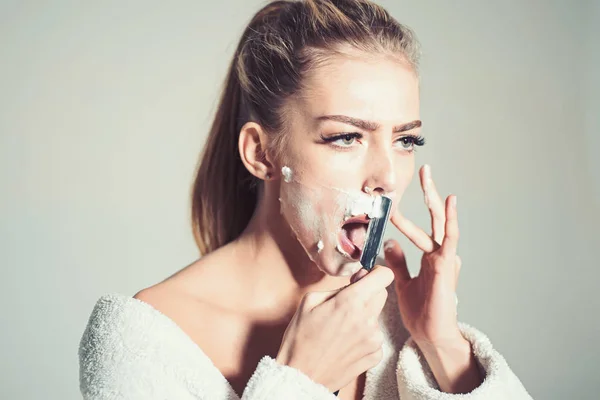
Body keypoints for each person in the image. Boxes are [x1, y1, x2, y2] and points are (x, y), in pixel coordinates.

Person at [78, 0, 533, 399]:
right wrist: (300, 382)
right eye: (346, 137)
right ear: (261, 152)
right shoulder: (145, 339)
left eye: (406, 140)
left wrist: (445, 347)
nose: (388, 177)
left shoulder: (405, 322)